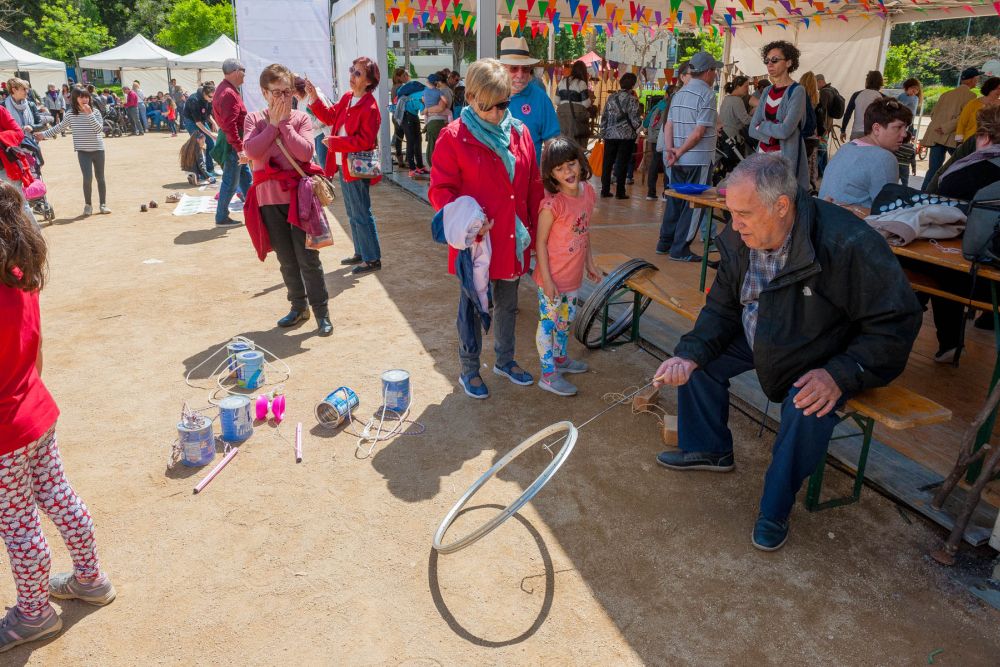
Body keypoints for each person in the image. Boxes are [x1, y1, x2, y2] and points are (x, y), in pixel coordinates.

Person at [653, 153, 921, 551]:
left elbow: (897, 321)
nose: (734, 223)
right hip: (761, 333)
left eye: (744, 214)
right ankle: (708, 448)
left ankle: (774, 510)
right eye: (732, 212)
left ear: (782, 207)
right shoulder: (740, 238)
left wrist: (842, 373)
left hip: (821, 351)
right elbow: (723, 307)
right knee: (698, 361)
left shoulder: (846, 243)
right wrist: (688, 354)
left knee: (807, 405)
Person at [0, 182, 117, 653]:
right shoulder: (19, 273)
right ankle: (90, 578)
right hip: (36, 411)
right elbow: (38, 350)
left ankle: (34, 614)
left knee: (18, 521)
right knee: (57, 493)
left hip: (6, 429)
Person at [429, 58, 545, 399]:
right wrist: (470, 222)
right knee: (472, 306)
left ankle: (505, 360)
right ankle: (469, 369)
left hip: (512, 238)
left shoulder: (520, 133)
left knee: (508, 304)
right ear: (472, 97)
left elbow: (533, 187)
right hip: (475, 244)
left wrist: (538, 234)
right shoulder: (453, 138)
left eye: (503, 104)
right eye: (487, 106)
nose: (496, 113)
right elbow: (440, 192)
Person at [243, 63, 331, 336]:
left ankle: (321, 313)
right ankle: (298, 307)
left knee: (308, 257)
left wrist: (284, 126)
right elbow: (251, 151)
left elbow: (305, 153)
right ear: (264, 92)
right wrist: (271, 126)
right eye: (276, 92)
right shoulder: (254, 119)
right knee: (286, 258)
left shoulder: (300, 119)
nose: (283, 97)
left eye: (287, 92)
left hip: (300, 199)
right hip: (269, 199)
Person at [534, 138, 600, 397]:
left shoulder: (589, 193)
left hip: (572, 279)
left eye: (571, 164)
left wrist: (590, 263)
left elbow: (584, 231)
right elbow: (540, 243)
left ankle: (560, 359)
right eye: (559, 169)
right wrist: (548, 281)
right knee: (548, 325)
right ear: (551, 174)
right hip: (551, 280)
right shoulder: (552, 205)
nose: (568, 172)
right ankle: (548, 375)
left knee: (565, 321)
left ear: (580, 162)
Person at [306, 56, 384, 275]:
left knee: (361, 212)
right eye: (352, 70)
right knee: (353, 212)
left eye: (358, 73)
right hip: (346, 164)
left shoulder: (370, 106)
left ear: (369, 81)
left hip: (356, 165)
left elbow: (365, 141)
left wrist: (335, 142)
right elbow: (330, 117)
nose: (352, 75)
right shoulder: (349, 97)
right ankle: (362, 252)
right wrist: (314, 98)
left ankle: (372, 258)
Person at [658, 51, 722, 262]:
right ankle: (680, 249)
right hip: (698, 159)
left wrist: (672, 151)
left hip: (677, 158)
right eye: (715, 71)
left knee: (675, 201)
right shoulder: (707, 95)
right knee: (695, 205)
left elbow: (669, 125)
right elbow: (698, 132)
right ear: (708, 72)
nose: (716, 75)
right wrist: (681, 151)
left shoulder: (679, 93)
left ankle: (664, 242)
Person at [818, 97, 911, 209]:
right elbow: (888, 212)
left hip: (823, 219)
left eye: (905, 128)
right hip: (850, 224)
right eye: (898, 127)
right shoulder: (884, 158)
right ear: (876, 129)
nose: (904, 134)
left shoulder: (847, 147)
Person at [35, 86, 110, 216]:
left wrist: (89, 114)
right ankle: (88, 205)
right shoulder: (70, 114)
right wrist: (43, 134)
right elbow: (59, 127)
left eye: (86, 96)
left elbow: (99, 129)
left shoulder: (95, 112)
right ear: (75, 98)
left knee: (100, 178)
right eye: (81, 97)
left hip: (98, 149)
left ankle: (103, 204)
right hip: (83, 151)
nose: (85, 99)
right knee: (87, 178)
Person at [749, 41, 809, 191]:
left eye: (775, 60)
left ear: (789, 62)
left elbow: (785, 130)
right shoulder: (767, 90)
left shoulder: (797, 91)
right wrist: (771, 134)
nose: (770, 64)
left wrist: (762, 126)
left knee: (780, 199)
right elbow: (751, 129)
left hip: (784, 158)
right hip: (762, 156)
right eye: (767, 61)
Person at [499, 36, 560, 164]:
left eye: (525, 68)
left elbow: (552, 141)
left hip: (528, 178)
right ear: (502, 68)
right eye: (514, 68)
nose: (520, 75)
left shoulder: (540, 98)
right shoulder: (490, 95)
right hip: (494, 178)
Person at [921, 67, 980, 189]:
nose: (977, 82)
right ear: (971, 80)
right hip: (953, 136)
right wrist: (946, 127)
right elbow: (963, 118)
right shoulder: (971, 95)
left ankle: (923, 194)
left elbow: (933, 114)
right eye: (976, 79)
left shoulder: (946, 94)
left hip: (936, 135)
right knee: (958, 167)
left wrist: (941, 126)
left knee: (933, 169)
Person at [212, 58, 252, 228]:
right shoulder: (228, 93)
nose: (244, 74)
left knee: (246, 179)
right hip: (232, 145)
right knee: (231, 182)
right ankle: (221, 217)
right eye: (243, 70)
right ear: (236, 71)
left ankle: (256, 209)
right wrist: (239, 149)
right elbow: (230, 125)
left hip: (233, 143)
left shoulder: (227, 89)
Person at [599, 72, 642, 200]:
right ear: (633, 85)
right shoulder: (633, 100)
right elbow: (635, 120)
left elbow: (604, 115)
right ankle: (620, 192)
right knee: (622, 164)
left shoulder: (611, 97)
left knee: (607, 163)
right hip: (626, 136)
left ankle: (605, 190)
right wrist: (637, 126)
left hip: (610, 135)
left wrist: (603, 130)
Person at [0, 106, 38, 226]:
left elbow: (18, 133)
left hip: (5, 168)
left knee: (19, 205)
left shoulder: (0, 110)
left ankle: (36, 241)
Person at [556, 60, 593, 149]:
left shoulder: (562, 82)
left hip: (562, 118)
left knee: (563, 145)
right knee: (576, 147)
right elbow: (586, 104)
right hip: (576, 118)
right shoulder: (581, 83)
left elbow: (556, 101)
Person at [395, 75, 427, 177]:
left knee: (418, 140)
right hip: (406, 114)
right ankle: (412, 169)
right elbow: (423, 112)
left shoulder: (427, 92)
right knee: (411, 141)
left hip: (412, 114)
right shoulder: (426, 95)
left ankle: (420, 166)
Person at [183, 82, 217, 176]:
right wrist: (210, 134)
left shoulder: (209, 99)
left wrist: (213, 122)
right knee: (198, 144)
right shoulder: (194, 100)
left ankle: (210, 169)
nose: (212, 99)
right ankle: (199, 172)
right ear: (204, 94)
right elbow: (197, 123)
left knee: (210, 143)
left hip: (201, 120)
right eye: (210, 97)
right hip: (191, 121)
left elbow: (208, 114)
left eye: (213, 97)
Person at [642, 87, 669, 201]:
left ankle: (651, 192)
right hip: (664, 138)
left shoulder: (657, 105)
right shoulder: (670, 107)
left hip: (653, 138)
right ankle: (666, 193)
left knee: (654, 162)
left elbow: (646, 122)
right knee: (667, 164)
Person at [955, 76, 1000, 145]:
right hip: (971, 143)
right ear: (990, 88)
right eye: (998, 88)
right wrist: (959, 142)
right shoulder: (973, 104)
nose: (999, 91)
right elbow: (962, 123)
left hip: (995, 143)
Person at [842, 70, 884, 142]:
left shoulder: (857, 95)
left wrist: (843, 130)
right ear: (880, 82)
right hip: (873, 134)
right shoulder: (883, 98)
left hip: (856, 132)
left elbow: (848, 114)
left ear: (867, 81)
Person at [423, 72, 452, 168]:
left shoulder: (443, 91)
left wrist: (427, 110)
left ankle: (435, 172)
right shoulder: (442, 91)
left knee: (433, 149)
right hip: (439, 122)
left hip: (436, 122)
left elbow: (440, 108)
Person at [720, 75, 751, 149]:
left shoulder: (726, 98)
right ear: (737, 87)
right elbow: (746, 120)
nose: (747, 89)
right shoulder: (737, 100)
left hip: (724, 135)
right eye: (745, 86)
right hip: (732, 138)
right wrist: (757, 119)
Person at [390, 68, 409, 167]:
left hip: (395, 115)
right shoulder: (402, 87)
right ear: (398, 77)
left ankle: (401, 160)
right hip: (403, 115)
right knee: (410, 138)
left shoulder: (394, 87)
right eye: (404, 75)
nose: (407, 77)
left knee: (399, 138)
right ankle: (407, 160)